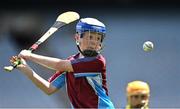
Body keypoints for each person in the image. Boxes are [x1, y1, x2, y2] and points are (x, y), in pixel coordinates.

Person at [10, 18, 115, 108]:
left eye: (98, 38)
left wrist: (30, 56)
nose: (94, 42)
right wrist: (25, 68)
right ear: (77, 38)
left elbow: (59, 65)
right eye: (90, 37)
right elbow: (49, 88)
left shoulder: (97, 61)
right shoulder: (70, 63)